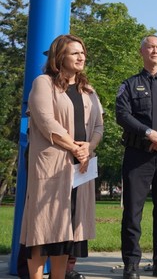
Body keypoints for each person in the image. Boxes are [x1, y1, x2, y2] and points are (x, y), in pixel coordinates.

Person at [20, 34, 104, 279]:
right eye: (74, 52)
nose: (81, 57)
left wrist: (89, 146)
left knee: (67, 229)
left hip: (80, 166)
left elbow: (98, 125)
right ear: (59, 57)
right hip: (52, 164)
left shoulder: (88, 89)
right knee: (43, 227)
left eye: (83, 52)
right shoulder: (43, 83)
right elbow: (46, 120)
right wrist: (73, 146)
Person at [116, 35, 157, 279]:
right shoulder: (130, 84)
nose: (155, 51)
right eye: (150, 47)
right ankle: (131, 263)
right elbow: (122, 115)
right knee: (133, 212)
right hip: (137, 155)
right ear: (141, 51)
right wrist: (150, 134)